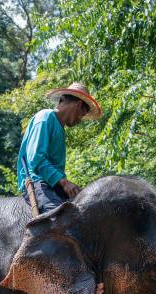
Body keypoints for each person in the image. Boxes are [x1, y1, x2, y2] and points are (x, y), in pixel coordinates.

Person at [17, 82, 102, 214]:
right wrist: (64, 183)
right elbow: (36, 159)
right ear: (78, 105)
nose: (80, 120)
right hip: (37, 182)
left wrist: (67, 185)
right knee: (58, 222)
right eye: (82, 114)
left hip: (53, 185)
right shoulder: (45, 117)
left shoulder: (60, 128)